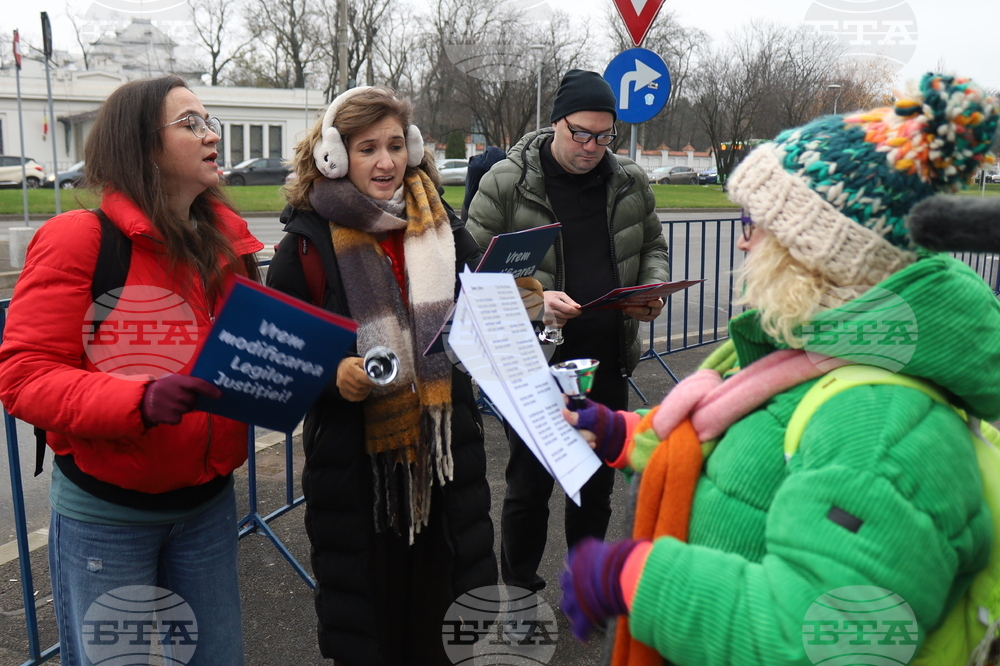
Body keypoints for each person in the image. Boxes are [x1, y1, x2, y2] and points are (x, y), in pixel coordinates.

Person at [558, 73, 1000, 665]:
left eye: (753, 224)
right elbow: (752, 446)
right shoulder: (812, 349)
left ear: (817, 257)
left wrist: (636, 576)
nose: (742, 244)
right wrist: (622, 433)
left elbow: (821, 639)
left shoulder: (881, 426)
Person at [0, 76, 263, 665]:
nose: (212, 135)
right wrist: (139, 400)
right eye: (190, 124)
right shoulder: (77, 240)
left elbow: (242, 351)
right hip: (107, 519)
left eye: (209, 121)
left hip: (208, 507)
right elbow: (25, 377)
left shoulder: (226, 242)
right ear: (141, 145)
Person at [266, 86, 496, 665]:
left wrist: (532, 299)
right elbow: (279, 355)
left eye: (395, 145)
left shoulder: (442, 223)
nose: (387, 161)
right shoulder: (305, 244)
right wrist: (332, 373)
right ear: (333, 156)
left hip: (446, 457)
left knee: (447, 623)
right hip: (357, 471)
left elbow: (484, 301)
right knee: (372, 626)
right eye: (368, 148)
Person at [466, 69, 670, 594]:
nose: (592, 147)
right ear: (555, 123)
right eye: (581, 133)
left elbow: (653, 246)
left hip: (605, 357)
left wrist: (651, 290)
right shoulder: (506, 182)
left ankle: (586, 588)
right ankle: (519, 591)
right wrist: (537, 300)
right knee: (528, 487)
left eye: (604, 136)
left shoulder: (628, 179)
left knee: (596, 484)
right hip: (533, 363)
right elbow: (470, 271)